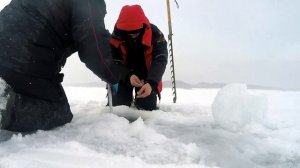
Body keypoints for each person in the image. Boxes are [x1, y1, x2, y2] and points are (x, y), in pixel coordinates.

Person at [0, 0, 127, 132]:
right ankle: (6, 109)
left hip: (9, 50)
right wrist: (113, 75)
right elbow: (92, 46)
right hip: (22, 58)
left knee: (20, 89)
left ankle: (5, 97)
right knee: (59, 110)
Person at [110, 5, 168, 111]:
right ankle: (125, 96)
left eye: (136, 32)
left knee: (147, 106)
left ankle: (145, 96)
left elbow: (160, 59)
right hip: (123, 75)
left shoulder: (155, 34)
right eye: (127, 33)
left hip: (147, 76)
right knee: (118, 107)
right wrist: (128, 76)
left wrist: (151, 83)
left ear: (143, 26)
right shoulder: (115, 36)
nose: (132, 36)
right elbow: (114, 61)